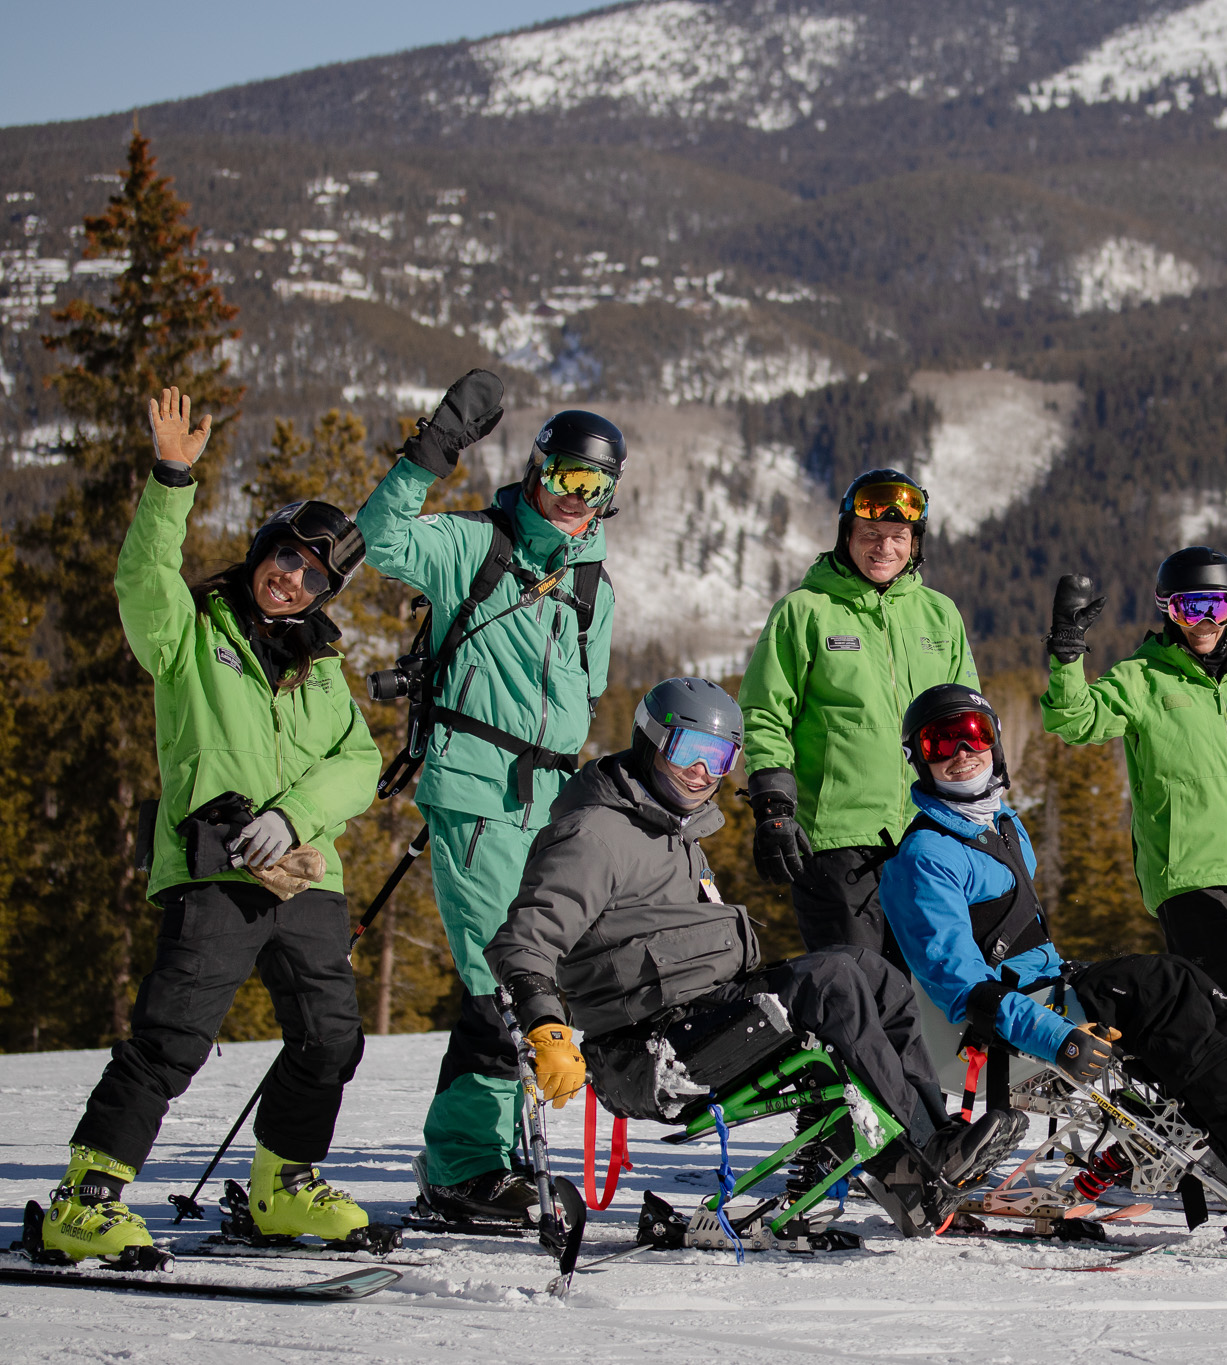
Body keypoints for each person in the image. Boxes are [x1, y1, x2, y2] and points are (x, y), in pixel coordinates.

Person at [484, 678, 1024, 1238]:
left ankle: (930, 1147)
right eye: (686, 751)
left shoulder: (670, 829)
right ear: (650, 743)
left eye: (718, 756)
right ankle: (925, 1150)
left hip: (702, 1015)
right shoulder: (594, 834)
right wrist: (545, 1026)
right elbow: (524, 939)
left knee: (873, 972)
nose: (702, 771)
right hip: (648, 1048)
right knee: (833, 979)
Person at [44, 388, 381, 1263]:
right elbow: (141, 579)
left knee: (332, 1037)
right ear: (263, 548)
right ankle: (87, 1197)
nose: (294, 578)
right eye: (287, 558)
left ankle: (284, 1185)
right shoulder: (193, 632)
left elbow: (358, 764)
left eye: (315, 575)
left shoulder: (322, 668)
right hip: (213, 866)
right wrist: (171, 480)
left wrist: (292, 813)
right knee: (174, 1035)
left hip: (305, 873)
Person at [879, 685, 1227, 1193]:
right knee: (1160, 985)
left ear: (994, 744)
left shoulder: (1000, 826)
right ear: (919, 759)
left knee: (1194, 984)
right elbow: (962, 987)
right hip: (986, 1036)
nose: (961, 754)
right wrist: (1056, 1036)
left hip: (1038, 995)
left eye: (973, 736)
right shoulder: (925, 857)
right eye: (941, 743)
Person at [356, 371, 620, 1223]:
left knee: (530, 976)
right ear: (537, 468)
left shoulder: (593, 589)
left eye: (594, 486)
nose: (575, 497)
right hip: (474, 789)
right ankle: (467, 1166)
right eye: (565, 475)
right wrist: (432, 447)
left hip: (553, 803)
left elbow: (587, 698)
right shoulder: (475, 547)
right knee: (500, 977)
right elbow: (380, 536)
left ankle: (484, 1160)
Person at [1037, 549, 1227, 1022]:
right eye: (1190, 607)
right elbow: (1074, 720)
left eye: (1219, 605)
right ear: (1167, 609)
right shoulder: (1142, 677)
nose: (1206, 621)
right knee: (1224, 1001)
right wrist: (1067, 652)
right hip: (1187, 871)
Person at [739, 469, 978, 961]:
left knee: (930, 1003)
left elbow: (970, 723)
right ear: (847, 535)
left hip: (931, 837)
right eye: (870, 535)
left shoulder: (940, 615)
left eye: (898, 536)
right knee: (858, 996)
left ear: (915, 542)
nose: (883, 548)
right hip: (836, 842)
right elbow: (764, 713)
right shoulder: (804, 611)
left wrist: (982, 813)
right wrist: (774, 808)